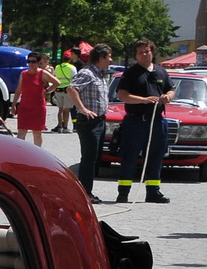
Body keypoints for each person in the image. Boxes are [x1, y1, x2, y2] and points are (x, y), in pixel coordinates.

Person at [115, 39, 173, 204]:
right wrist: (143, 100)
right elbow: (123, 95)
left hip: (157, 121)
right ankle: (123, 193)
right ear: (135, 55)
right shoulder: (130, 73)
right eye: (140, 52)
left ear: (152, 52)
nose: (144, 54)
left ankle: (153, 192)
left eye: (147, 51)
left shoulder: (161, 72)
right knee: (130, 156)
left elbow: (171, 89)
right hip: (136, 122)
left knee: (156, 156)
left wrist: (168, 96)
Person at [68, 44, 114, 204]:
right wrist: (82, 109)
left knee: (94, 158)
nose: (111, 60)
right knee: (88, 158)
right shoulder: (87, 73)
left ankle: (88, 191)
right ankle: (84, 194)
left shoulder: (101, 75)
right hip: (88, 122)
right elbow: (72, 89)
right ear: (101, 58)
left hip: (100, 122)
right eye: (109, 56)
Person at [13, 51, 55, 145]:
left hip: (38, 107)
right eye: (29, 61)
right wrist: (14, 105)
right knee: (21, 132)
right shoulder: (23, 74)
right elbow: (18, 91)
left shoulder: (43, 73)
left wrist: (47, 90)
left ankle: (37, 154)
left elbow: (57, 83)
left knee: (37, 133)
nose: (31, 64)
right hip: (24, 107)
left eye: (33, 61)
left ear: (38, 62)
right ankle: (19, 155)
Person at [51, 48, 76, 132]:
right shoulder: (72, 67)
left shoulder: (57, 67)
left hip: (58, 90)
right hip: (67, 90)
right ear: (69, 59)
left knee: (60, 109)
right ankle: (65, 127)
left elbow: (54, 76)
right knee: (67, 109)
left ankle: (60, 126)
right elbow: (75, 79)